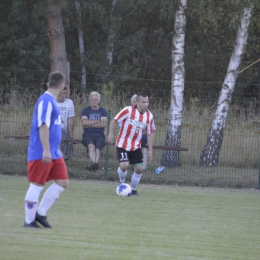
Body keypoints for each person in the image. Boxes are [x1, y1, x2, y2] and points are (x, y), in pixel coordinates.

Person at [24, 71, 69, 228]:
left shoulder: (52, 101)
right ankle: (29, 221)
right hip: (41, 151)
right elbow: (43, 125)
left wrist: (55, 148)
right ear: (62, 86)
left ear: (49, 83)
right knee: (37, 184)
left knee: (62, 182)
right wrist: (46, 150)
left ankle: (40, 212)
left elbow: (53, 128)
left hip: (54, 152)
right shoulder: (45, 101)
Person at [108, 92, 155, 196]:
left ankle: (133, 189)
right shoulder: (128, 110)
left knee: (139, 169)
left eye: (147, 102)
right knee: (124, 166)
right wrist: (111, 134)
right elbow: (114, 120)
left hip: (136, 146)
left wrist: (150, 150)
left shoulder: (149, 116)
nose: (146, 104)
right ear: (137, 102)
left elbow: (150, 133)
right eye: (143, 102)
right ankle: (122, 182)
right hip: (122, 144)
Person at [81, 91, 108, 171]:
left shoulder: (103, 111)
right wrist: (97, 121)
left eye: (96, 99)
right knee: (91, 146)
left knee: (97, 148)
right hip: (87, 134)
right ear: (90, 100)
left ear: (99, 101)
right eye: (92, 99)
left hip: (100, 134)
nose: (94, 101)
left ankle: (94, 164)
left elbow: (103, 124)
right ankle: (94, 164)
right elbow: (84, 123)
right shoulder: (85, 110)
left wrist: (89, 123)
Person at [130, 94, 156, 170]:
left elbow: (151, 131)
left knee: (139, 141)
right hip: (129, 137)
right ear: (132, 104)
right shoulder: (128, 112)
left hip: (142, 138)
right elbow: (123, 128)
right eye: (135, 102)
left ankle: (136, 163)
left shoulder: (148, 115)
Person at [57, 87, 75, 160]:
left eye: (64, 93)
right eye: (61, 93)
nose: (63, 95)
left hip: (62, 129)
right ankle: (59, 153)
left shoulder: (69, 102)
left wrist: (71, 135)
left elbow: (70, 119)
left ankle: (58, 153)